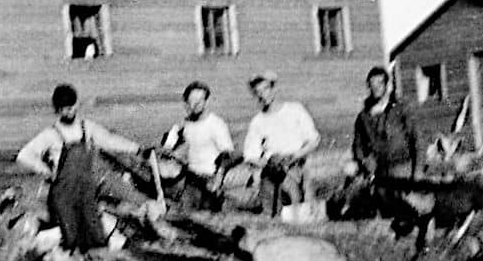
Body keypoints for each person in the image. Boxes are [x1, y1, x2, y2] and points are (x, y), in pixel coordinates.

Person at [16, 84, 159, 252]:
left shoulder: (87, 128)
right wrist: (46, 170)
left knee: (96, 236)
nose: (67, 112)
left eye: (70, 107)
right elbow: (24, 156)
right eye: (63, 109)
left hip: (85, 192)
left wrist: (138, 149)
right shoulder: (50, 134)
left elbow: (109, 140)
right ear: (57, 110)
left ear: (76, 105)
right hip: (63, 196)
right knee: (71, 238)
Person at [339, 65, 419, 222]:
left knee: (408, 208)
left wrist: (417, 173)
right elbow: (358, 145)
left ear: (387, 85)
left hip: (402, 166)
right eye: (372, 84)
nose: (376, 87)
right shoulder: (364, 117)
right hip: (379, 170)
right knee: (384, 211)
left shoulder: (401, 109)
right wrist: (365, 160)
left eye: (380, 83)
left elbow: (417, 140)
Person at [243, 71, 320, 216]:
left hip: (297, 164)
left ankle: (297, 205)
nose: (262, 95)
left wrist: (294, 156)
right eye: (257, 92)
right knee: (272, 175)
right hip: (273, 168)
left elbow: (313, 140)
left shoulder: (295, 110)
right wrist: (266, 162)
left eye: (266, 89)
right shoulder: (257, 121)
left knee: (298, 194)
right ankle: (274, 211)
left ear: (274, 89)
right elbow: (251, 155)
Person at [160, 81, 238, 211]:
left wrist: (217, 179)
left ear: (206, 101)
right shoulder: (184, 125)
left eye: (200, 99)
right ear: (186, 102)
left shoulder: (216, 124)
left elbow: (227, 155)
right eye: (192, 100)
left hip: (210, 178)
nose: (196, 103)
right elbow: (168, 146)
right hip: (189, 177)